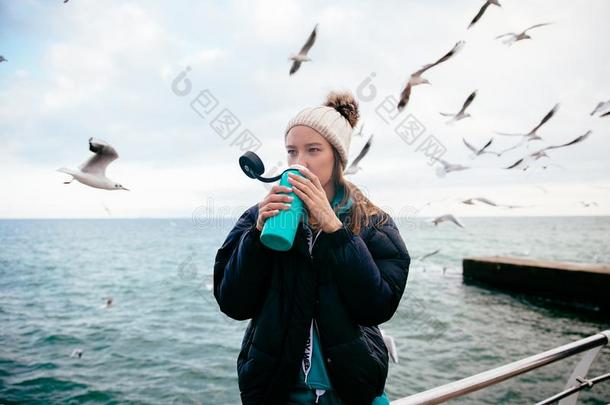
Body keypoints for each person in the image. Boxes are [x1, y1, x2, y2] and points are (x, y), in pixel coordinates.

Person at [214, 91, 411, 405]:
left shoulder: (372, 220)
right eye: (292, 152)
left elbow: (378, 307)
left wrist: (335, 231)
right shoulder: (259, 215)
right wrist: (256, 237)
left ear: (337, 158)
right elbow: (233, 303)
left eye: (313, 150)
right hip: (276, 391)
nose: (299, 162)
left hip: (349, 390)